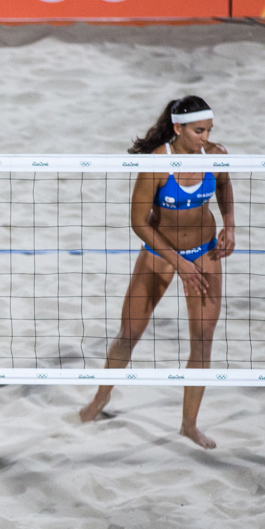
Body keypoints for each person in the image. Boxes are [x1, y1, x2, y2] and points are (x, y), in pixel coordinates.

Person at [79, 96, 236, 449]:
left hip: (205, 252)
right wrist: (178, 263)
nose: (205, 137)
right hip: (160, 253)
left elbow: (224, 186)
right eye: (199, 131)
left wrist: (230, 224)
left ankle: (189, 426)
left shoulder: (215, 155)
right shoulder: (157, 163)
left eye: (209, 130)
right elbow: (138, 222)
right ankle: (99, 399)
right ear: (178, 128)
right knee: (129, 333)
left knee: (203, 340)